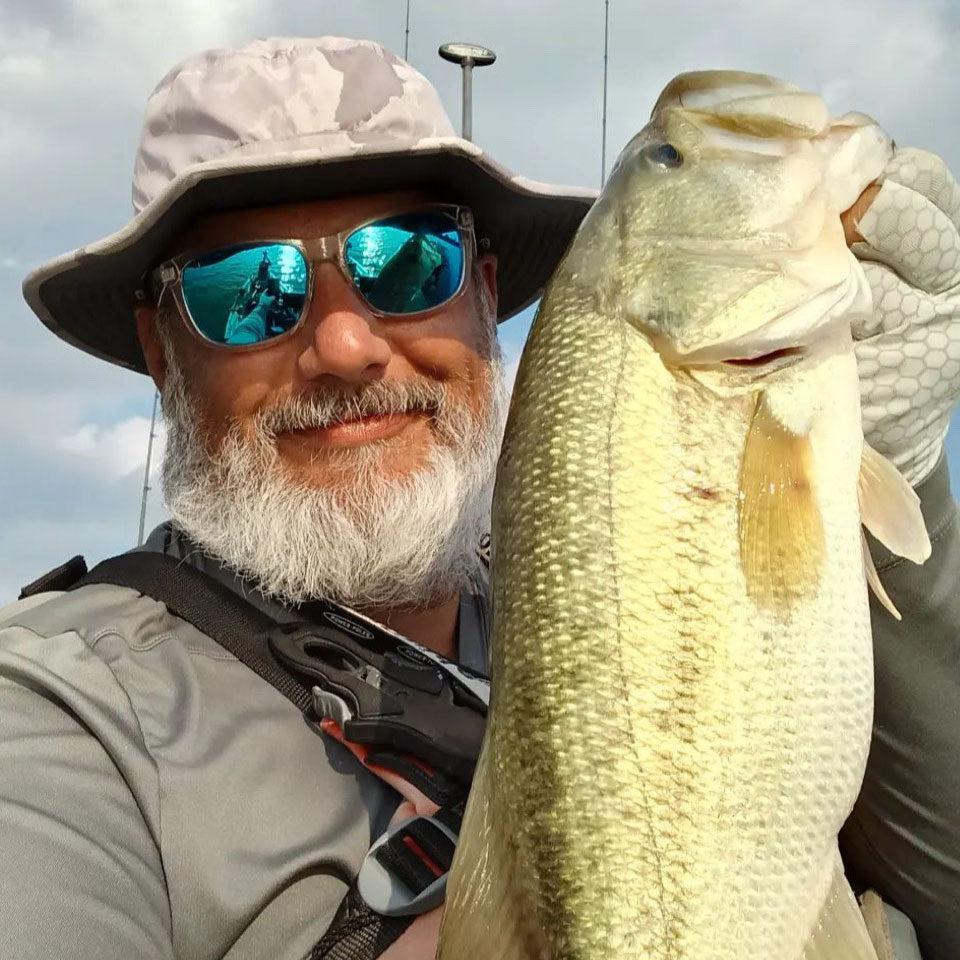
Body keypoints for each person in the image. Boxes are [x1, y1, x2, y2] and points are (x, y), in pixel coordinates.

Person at [2, 35, 958, 960]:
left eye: (411, 260)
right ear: (166, 353)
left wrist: (903, 500)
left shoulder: (600, 581)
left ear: (484, 296)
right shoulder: (59, 721)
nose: (346, 345)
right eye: (247, 286)